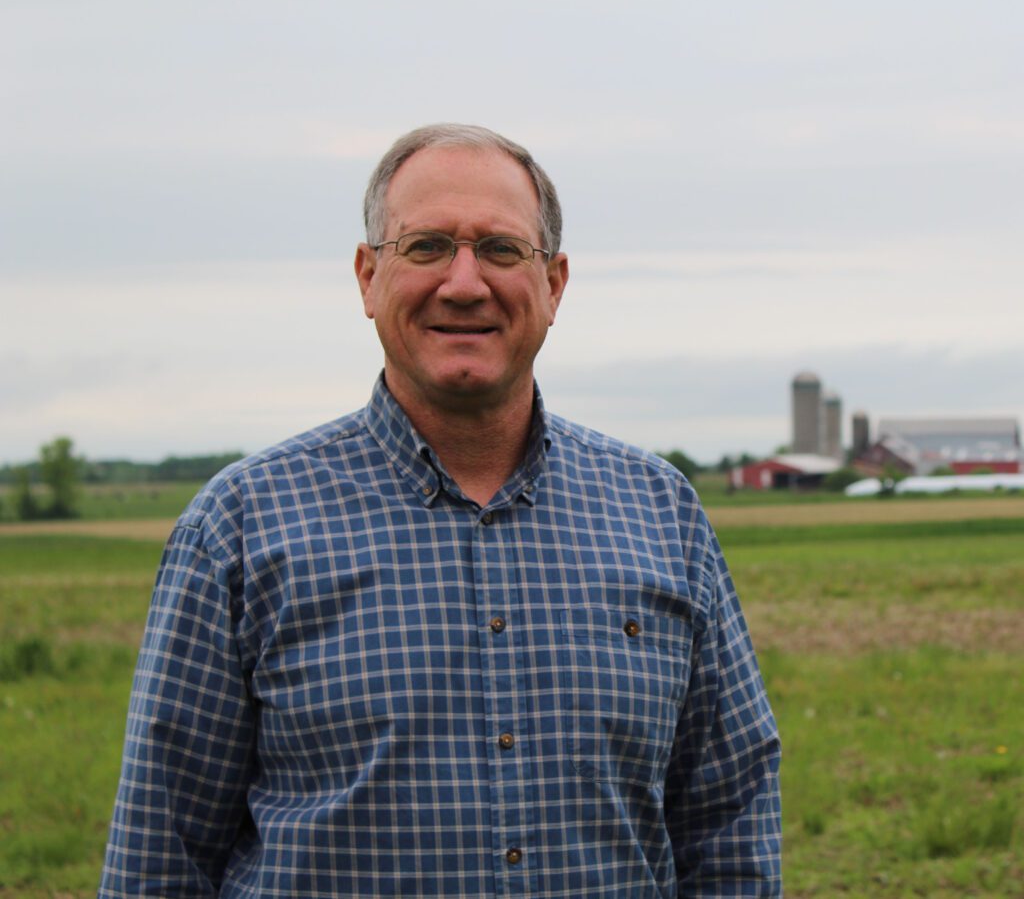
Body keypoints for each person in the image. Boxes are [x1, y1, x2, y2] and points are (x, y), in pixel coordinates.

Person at [99, 123, 781, 897]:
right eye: (426, 247)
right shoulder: (241, 527)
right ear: (367, 276)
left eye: (500, 250)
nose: (464, 283)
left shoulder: (662, 515)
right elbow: (161, 856)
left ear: (554, 284)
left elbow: (730, 823)